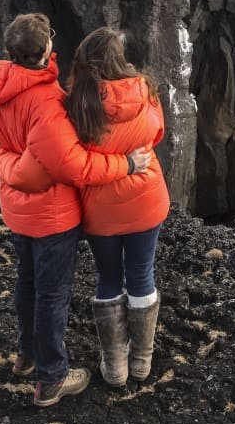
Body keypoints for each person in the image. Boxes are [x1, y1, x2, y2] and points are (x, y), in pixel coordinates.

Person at [0, 13, 152, 408]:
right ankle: (52, 379)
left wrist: (10, 168)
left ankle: (28, 355)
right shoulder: (48, 102)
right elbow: (73, 166)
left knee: (27, 283)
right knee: (52, 295)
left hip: (17, 211)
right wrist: (126, 165)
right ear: (47, 49)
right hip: (53, 217)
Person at [62, 27, 170, 387]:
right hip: (145, 199)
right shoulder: (145, 89)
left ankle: (116, 367)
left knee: (109, 277)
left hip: (101, 208)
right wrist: (130, 157)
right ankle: (142, 362)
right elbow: (157, 134)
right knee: (141, 275)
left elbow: (72, 154)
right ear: (119, 58)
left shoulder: (77, 101)